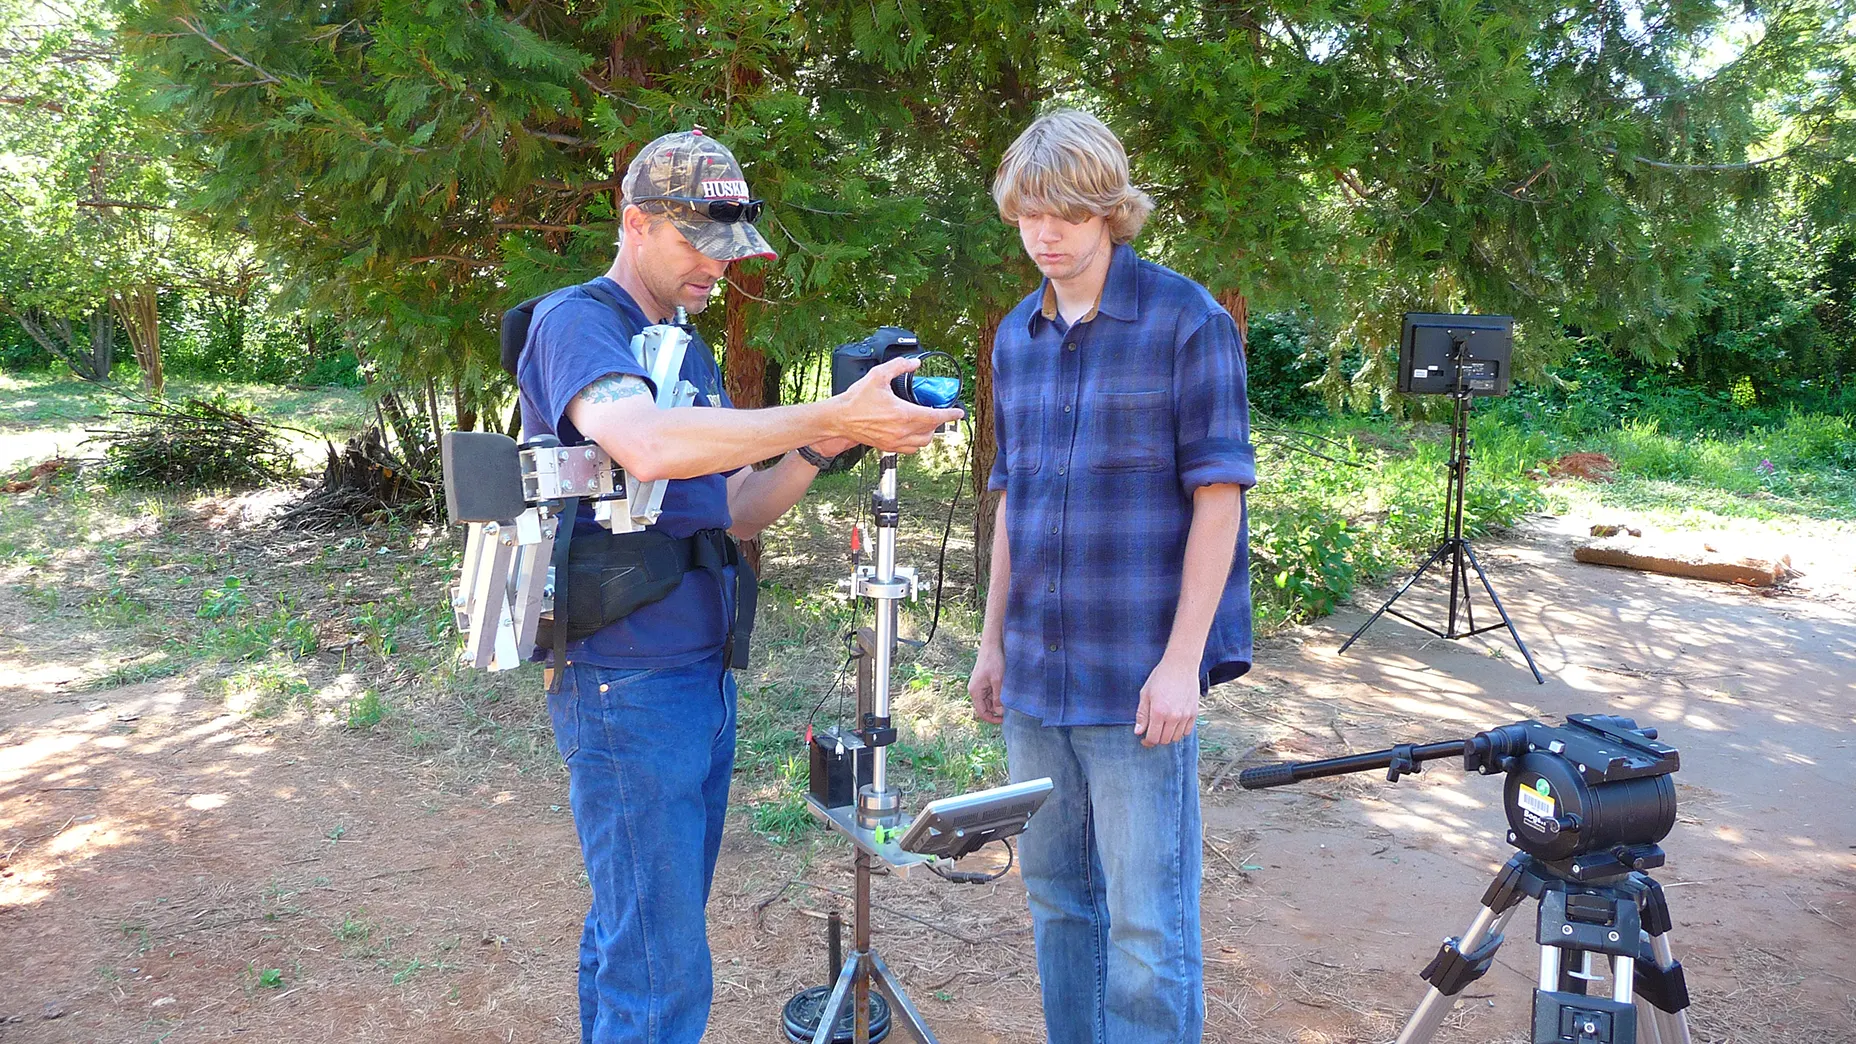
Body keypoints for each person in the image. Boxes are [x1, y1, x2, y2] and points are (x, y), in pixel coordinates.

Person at [514, 127, 961, 1044]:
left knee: (637, 931)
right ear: (634, 224)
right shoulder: (580, 323)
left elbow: (740, 510)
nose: (717, 271)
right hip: (623, 681)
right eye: (696, 246)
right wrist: (831, 408)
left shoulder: (681, 345)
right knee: (661, 964)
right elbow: (642, 442)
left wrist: (828, 442)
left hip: (695, 677)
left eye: (728, 252)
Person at [967, 109, 1257, 1044]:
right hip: (1037, 681)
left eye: (1066, 217)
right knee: (1056, 899)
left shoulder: (1187, 321)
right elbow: (1010, 495)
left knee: (1147, 920)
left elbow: (1220, 501)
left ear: (1110, 214)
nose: (1044, 237)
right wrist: (991, 645)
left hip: (1138, 679)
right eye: (1028, 217)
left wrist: (1183, 664)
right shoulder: (1016, 335)